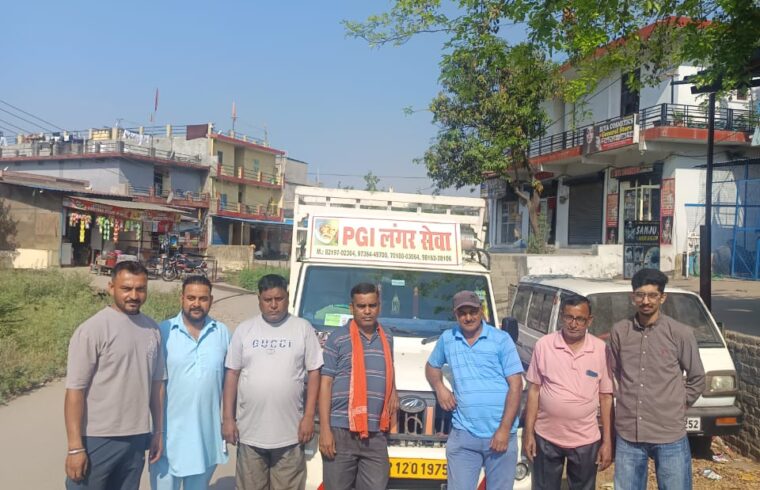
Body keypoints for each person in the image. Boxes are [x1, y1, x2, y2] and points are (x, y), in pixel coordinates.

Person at [64, 261, 165, 490]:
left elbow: (156, 385)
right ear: (111, 288)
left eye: (140, 289)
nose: (134, 295)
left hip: (137, 438)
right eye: (126, 288)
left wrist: (157, 431)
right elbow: (75, 391)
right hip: (98, 438)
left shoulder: (152, 330)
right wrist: (75, 447)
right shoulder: (93, 330)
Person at [223, 274, 322, 490]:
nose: (274, 305)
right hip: (250, 434)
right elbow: (232, 374)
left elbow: (315, 372)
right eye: (268, 300)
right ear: (259, 300)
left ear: (287, 298)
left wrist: (308, 417)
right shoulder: (245, 330)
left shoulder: (303, 328)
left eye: (279, 299)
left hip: (290, 435)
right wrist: (228, 419)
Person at [609, 268, 706, 489]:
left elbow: (697, 377)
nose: (646, 301)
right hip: (629, 435)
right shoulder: (620, 332)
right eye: (640, 295)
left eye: (652, 295)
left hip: (668, 433)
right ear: (633, 297)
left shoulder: (680, 333)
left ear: (662, 297)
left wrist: (678, 404)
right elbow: (616, 372)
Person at [426, 290, 524, 490]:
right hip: (464, 435)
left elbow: (516, 385)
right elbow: (431, 366)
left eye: (473, 312)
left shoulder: (501, 339)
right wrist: (440, 388)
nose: (468, 317)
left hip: (500, 434)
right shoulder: (448, 339)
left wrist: (504, 430)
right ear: (455, 314)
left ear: (481, 311)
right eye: (462, 313)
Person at [523, 295, 613, 490]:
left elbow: (606, 397)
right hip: (546, 438)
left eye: (580, 319)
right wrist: (528, 434)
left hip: (585, 440)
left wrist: (607, 441)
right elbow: (534, 391)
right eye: (569, 317)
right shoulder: (544, 345)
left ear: (589, 320)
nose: (573, 324)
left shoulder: (600, 350)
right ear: (561, 317)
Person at [150, 275, 230, 490]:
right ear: (181, 298)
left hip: (206, 437)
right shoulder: (163, 331)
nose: (196, 304)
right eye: (191, 298)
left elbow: (230, 382)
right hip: (169, 438)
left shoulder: (221, 333)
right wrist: (156, 432)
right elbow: (155, 384)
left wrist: (228, 420)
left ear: (211, 300)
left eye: (203, 299)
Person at [319, 282, 398, 490]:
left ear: (379, 306)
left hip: (376, 433)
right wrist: (325, 430)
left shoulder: (387, 336)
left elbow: (389, 369)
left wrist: (394, 392)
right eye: (361, 306)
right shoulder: (338, 338)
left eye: (372, 305)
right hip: (341, 431)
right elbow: (325, 383)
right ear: (351, 307)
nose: (367, 311)